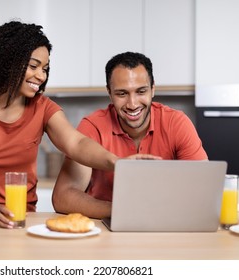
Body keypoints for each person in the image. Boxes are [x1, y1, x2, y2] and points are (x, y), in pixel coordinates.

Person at [0, 21, 143, 229]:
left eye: (45, 69)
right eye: (33, 66)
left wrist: (116, 162)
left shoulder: (43, 108)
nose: (41, 76)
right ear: (8, 61)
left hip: (20, 219)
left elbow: (77, 143)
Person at [52, 52, 208, 219]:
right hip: (107, 227)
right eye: (122, 94)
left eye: (141, 91)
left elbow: (203, 188)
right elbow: (63, 197)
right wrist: (123, 210)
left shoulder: (176, 123)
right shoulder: (93, 127)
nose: (132, 104)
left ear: (153, 89)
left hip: (166, 223)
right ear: (109, 93)